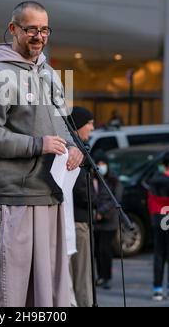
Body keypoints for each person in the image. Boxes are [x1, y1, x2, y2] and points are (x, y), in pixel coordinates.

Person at [0, 1, 83, 307]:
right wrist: (37, 145)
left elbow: (63, 124)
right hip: (13, 200)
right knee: (9, 295)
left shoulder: (49, 73)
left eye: (44, 29)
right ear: (13, 29)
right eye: (30, 28)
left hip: (51, 196)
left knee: (47, 297)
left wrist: (73, 148)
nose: (38, 36)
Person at [68, 106, 96, 307]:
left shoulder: (77, 147)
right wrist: (94, 199)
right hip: (77, 222)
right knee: (82, 276)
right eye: (89, 123)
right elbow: (80, 189)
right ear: (78, 126)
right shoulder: (75, 151)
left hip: (74, 220)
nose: (92, 128)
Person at [93, 151, 123, 290]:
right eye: (98, 164)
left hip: (109, 221)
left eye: (103, 163)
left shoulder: (114, 180)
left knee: (105, 249)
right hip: (96, 221)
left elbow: (115, 200)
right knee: (98, 250)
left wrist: (102, 212)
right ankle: (100, 276)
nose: (101, 166)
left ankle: (107, 277)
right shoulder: (93, 179)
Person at [148, 153, 169, 302]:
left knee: (159, 255)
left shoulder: (154, 180)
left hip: (158, 219)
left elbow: (151, 201)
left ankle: (157, 289)